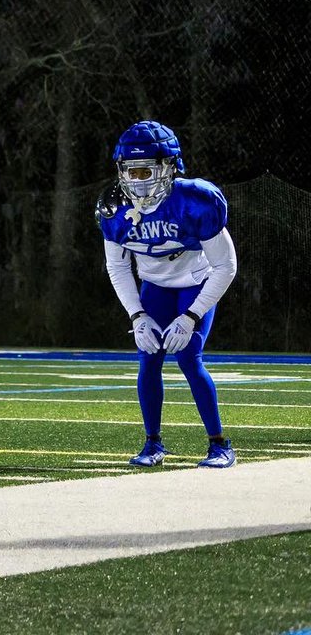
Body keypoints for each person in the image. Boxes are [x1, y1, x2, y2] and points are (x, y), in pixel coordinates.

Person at [96, 120, 238, 469]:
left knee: (189, 357)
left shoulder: (194, 201)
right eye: (130, 171)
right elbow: (117, 266)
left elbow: (226, 266)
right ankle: (152, 443)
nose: (137, 179)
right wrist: (137, 315)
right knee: (149, 359)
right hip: (154, 287)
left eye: (146, 170)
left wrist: (191, 316)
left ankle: (220, 445)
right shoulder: (114, 209)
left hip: (194, 283)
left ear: (168, 167)